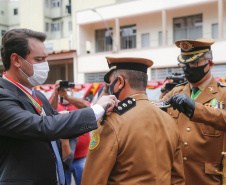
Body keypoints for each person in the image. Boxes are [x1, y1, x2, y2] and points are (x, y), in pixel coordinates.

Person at [0, 28, 117, 185]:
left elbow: (58, 120)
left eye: (46, 59)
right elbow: (42, 127)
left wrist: (100, 109)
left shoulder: (37, 95)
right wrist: (95, 110)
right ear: (16, 60)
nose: (45, 65)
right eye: (39, 59)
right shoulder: (3, 96)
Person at [81, 57, 185, 185]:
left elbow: (92, 181)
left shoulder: (112, 122)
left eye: (110, 84)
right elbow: (178, 179)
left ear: (120, 82)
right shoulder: (169, 120)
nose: (109, 90)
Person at [160, 38, 226, 185]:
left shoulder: (223, 93)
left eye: (195, 63)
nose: (188, 67)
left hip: (207, 178)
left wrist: (197, 109)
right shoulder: (176, 92)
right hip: (175, 177)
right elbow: (154, 113)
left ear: (210, 64)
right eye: (185, 64)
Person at [50, 81, 90, 185]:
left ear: (72, 93)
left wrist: (66, 97)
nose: (64, 92)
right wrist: (55, 93)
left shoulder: (77, 104)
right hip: (62, 159)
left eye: (67, 90)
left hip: (81, 157)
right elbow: (48, 112)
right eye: (62, 91)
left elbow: (86, 107)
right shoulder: (55, 104)